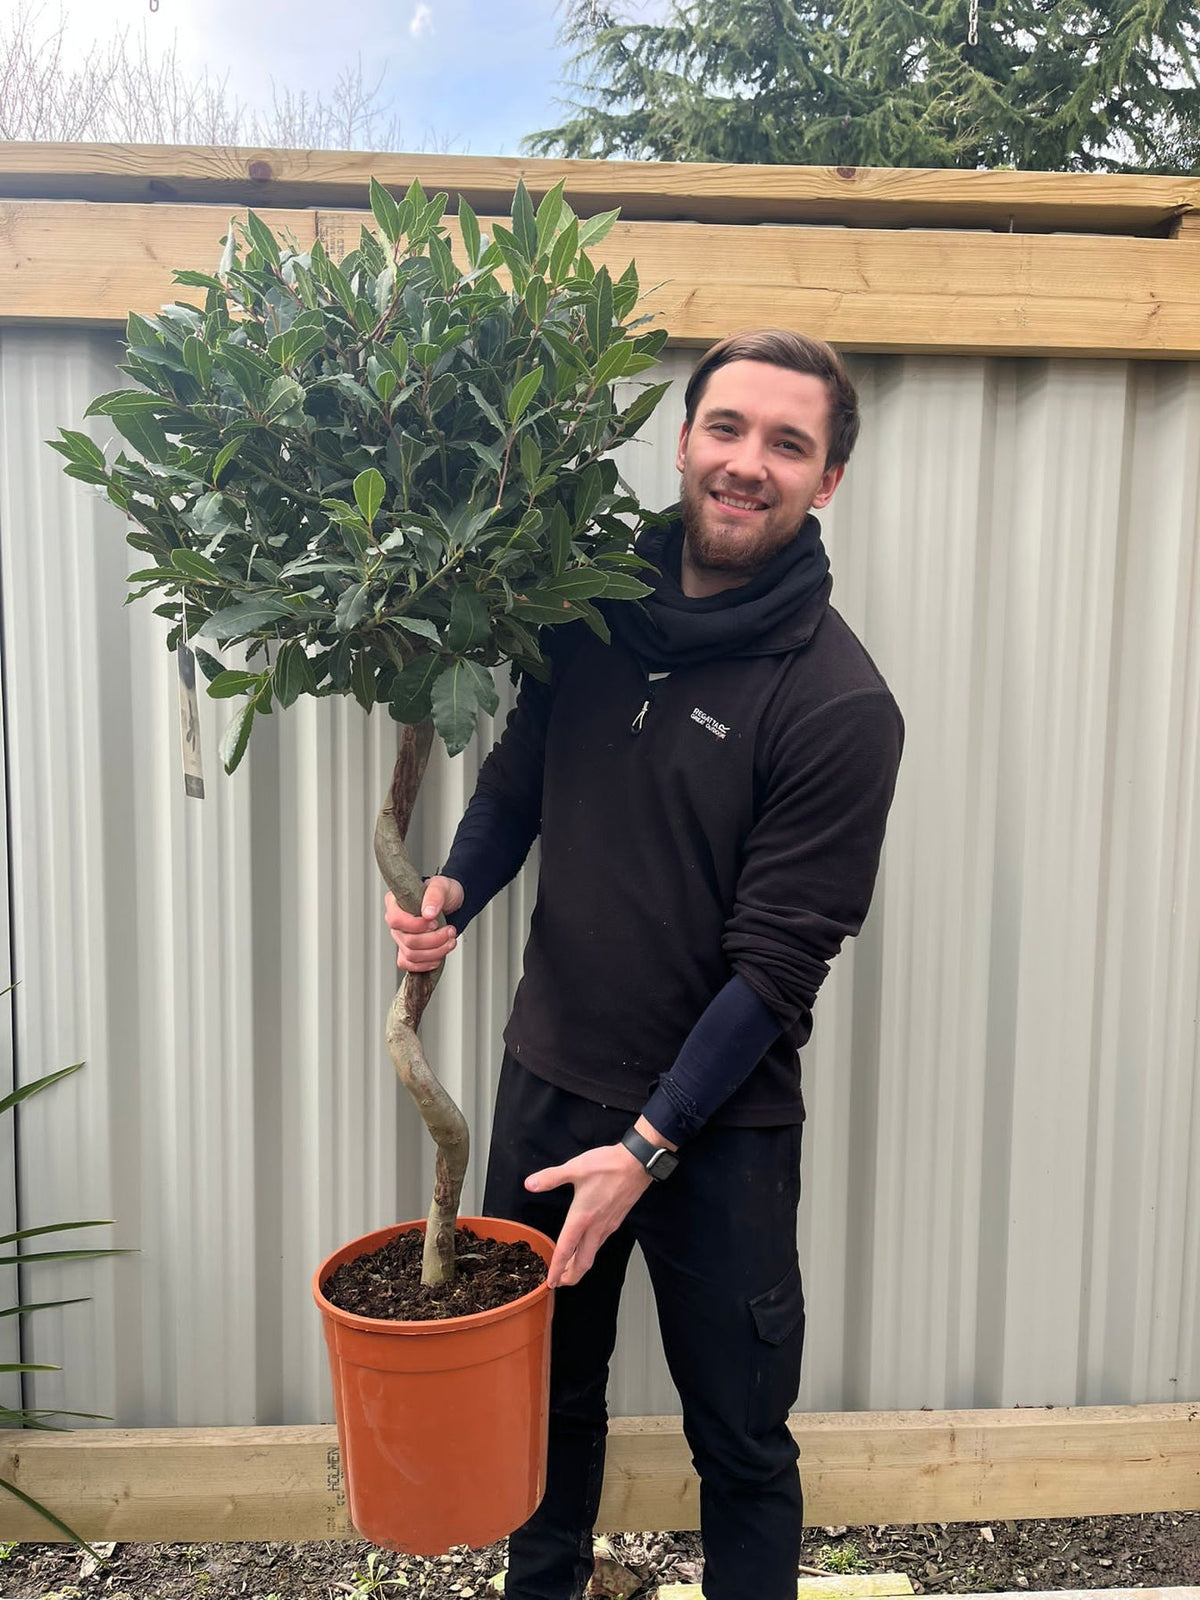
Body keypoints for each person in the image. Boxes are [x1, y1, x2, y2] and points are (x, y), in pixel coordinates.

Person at [385, 329, 903, 1600]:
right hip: (550, 1085)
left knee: (740, 1439)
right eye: (726, 429)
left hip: (718, 1129)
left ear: (826, 478)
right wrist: (454, 887)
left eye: (789, 443)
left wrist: (651, 1144)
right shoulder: (589, 605)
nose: (747, 463)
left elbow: (779, 968)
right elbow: (518, 780)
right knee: (544, 1414)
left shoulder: (840, 704)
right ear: (683, 442)